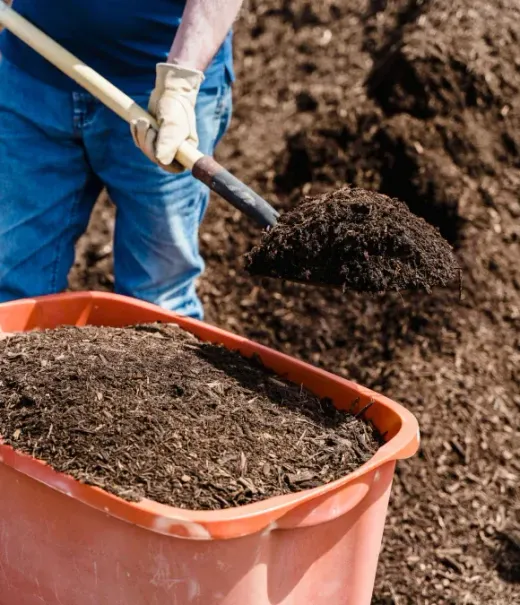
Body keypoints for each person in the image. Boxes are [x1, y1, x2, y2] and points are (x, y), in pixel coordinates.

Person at [0, 0, 243, 319]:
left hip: (159, 91)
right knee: (12, 288)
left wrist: (180, 82)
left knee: (157, 302)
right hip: (35, 68)